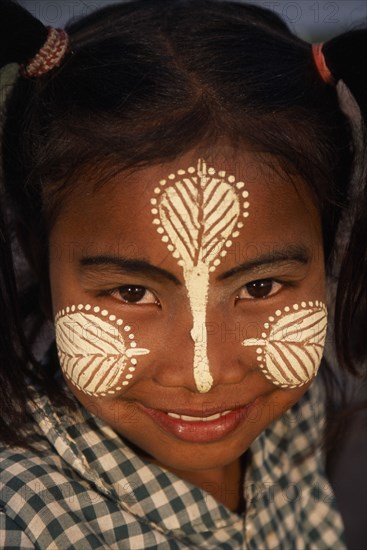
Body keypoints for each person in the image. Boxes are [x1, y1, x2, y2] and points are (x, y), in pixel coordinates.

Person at [0, 0, 366, 548]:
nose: (204, 374)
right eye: (131, 292)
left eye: (260, 288)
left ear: (326, 247)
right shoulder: (21, 521)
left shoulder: (288, 408)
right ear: (37, 250)